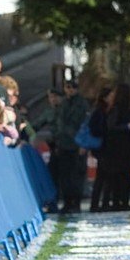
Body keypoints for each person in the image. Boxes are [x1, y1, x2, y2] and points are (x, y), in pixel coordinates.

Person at [90, 84, 130, 212]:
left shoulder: (108, 110)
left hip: (109, 148)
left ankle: (105, 203)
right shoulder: (102, 111)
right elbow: (107, 128)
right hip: (107, 148)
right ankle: (98, 203)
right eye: (110, 96)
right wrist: (128, 127)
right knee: (104, 177)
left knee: (108, 177)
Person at [51, 79, 90, 213]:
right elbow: (58, 123)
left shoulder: (82, 104)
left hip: (77, 143)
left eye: (72, 87)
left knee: (77, 175)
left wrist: (83, 143)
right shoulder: (63, 104)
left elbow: (85, 124)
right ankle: (67, 203)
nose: (70, 90)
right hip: (64, 143)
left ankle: (76, 203)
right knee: (65, 175)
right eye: (67, 87)